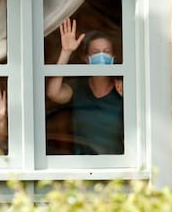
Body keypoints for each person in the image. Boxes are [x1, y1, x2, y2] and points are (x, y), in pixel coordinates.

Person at [46, 18, 124, 154]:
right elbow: (53, 93)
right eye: (95, 52)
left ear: (113, 57)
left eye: (106, 51)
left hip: (116, 166)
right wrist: (66, 52)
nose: (101, 56)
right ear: (86, 59)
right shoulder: (78, 87)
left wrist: (128, 97)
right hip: (83, 166)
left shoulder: (121, 89)